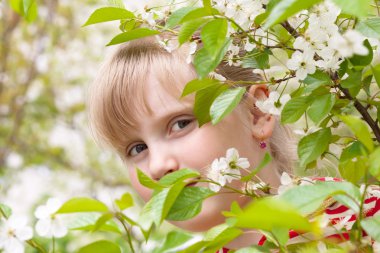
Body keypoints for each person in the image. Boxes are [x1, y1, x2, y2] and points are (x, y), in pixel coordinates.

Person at [88, 36, 379, 250]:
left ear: (258, 112)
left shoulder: (363, 218)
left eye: (180, 124)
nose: (158, 165)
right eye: (137, 149)